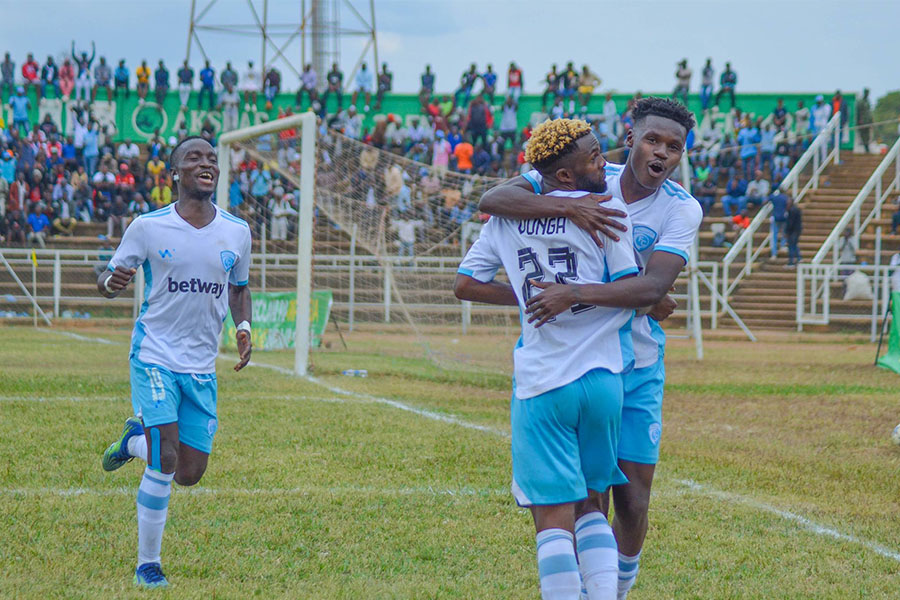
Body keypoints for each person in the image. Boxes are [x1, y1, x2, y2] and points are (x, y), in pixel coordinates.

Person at [479, 99, 701, 600]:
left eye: (674, 147)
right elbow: (494, 198)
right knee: (588, 496)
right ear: (631, 138)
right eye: (653, 140)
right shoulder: (586, 172)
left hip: (638, 362)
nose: (661, 152)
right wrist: (568, 206)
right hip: (586, 359)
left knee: (633, 497)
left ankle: (615, 589)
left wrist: (575, 293)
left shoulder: (681, 208)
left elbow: (650, 290)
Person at [456, 118, 639, 599]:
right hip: (602, 378)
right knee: (594, 507)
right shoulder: (607, 210)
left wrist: (527, 294)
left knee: (553, 517)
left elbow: (465, 284)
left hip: (542, 383)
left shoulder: (505, 218)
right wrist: (575, 293)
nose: (606, 163)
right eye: (595, 157)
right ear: (564, 175)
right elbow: (631, 289)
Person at [97, 136, 253, 589]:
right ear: (175, 175)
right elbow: (107, 281)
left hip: (201, 365)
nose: (206, 163)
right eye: (194, 158)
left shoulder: (237, 231)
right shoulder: (148, 226)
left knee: (189, 472)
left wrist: (243, 329)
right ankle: (148, 564)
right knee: (165, 458)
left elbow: (239, 288)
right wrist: (112, 283)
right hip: (155, 354)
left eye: (210, 159)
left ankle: (133, 442)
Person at [785, 197, 802, 266]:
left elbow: (790, 223)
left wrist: (787, 231)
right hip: (797, 230)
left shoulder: (791, 211)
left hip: (792, 231)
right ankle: (799, 258)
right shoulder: (796, 210)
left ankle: (791, 261)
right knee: (794, 245)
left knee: (791, 246)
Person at [857, 88, 873, 153]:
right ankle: (866, 147)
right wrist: (859, 120)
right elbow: (858, 112)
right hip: (862, 121)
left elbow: (869, 111)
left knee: (867, 135)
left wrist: (871, 120)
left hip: (868, 121)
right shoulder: (861, 101)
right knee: (863, 135)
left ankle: (867, 147)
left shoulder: (867, 101)